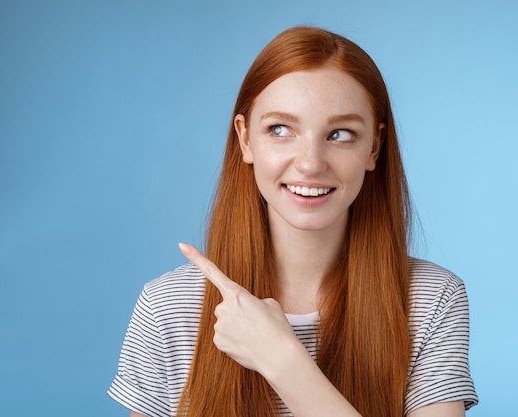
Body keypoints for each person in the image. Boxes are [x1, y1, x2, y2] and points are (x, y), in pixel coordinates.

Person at [108, 26, 478, 417]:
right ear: (246, 140)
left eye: (339, 134)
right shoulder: (169, 307)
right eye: (280, 130)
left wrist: (283, 360)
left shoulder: (431, 301)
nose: (310, 163)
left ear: (375, 147)